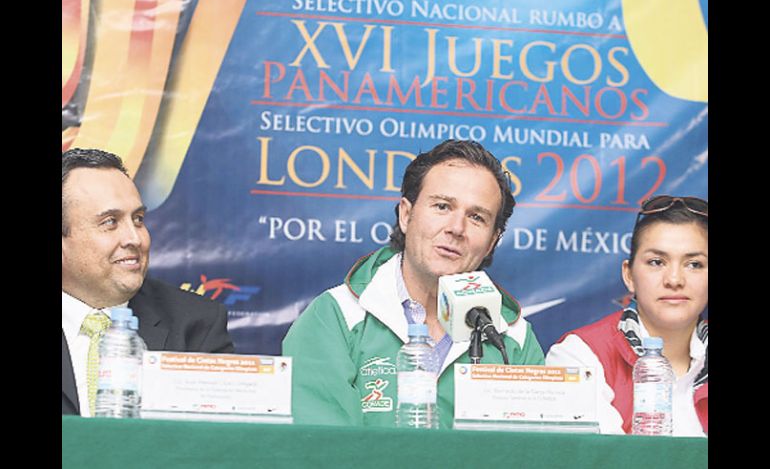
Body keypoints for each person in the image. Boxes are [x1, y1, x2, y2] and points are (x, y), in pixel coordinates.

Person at [282, 139, 545, 428]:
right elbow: (318, 451)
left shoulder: (513, 338)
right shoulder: (336, 316)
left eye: (476, 217)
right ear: (406, 215)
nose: (456, 228)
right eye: (442, 206)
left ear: (492, 242)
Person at [62, 148, 235, 416]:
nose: (135, 238)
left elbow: (218, 445)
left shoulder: (196, 324)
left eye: (138, 219)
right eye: (110, 222)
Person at [546, 195, 708, 437]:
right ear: (629, 275)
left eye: (694, 264)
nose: (674, 280)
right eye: (656, 262)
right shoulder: (579, 357)